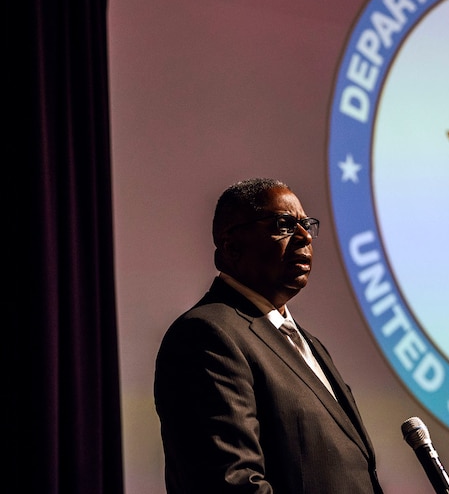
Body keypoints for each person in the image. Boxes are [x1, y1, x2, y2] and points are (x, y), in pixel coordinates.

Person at [154, 177, 384, 493]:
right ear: (232, 246)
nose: (305, 237)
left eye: (306, 225)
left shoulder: (309, 344)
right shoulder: (207, 335)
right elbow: (231, 483)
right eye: (284, 224)